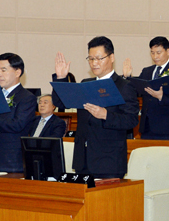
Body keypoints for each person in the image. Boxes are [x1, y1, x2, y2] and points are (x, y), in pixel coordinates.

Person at [52, 36, 139, 179]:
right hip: (83, 158)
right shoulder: (85, 83)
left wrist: (106, 115)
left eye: (99, 58)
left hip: (109, 161)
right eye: (91, 59)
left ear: (111, 57)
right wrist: (61, 78)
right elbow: (61, 103)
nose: (94, 63)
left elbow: (131, 120)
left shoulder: (124, 86)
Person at [122, 36, 169, 140]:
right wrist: (127, 78)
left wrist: (161, 97)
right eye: (152, 53)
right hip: (146, 126)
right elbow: (134, 91)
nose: (155, 56)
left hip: (166, 128)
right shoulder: (146, 71)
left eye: (158, 52)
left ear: (168, 51)